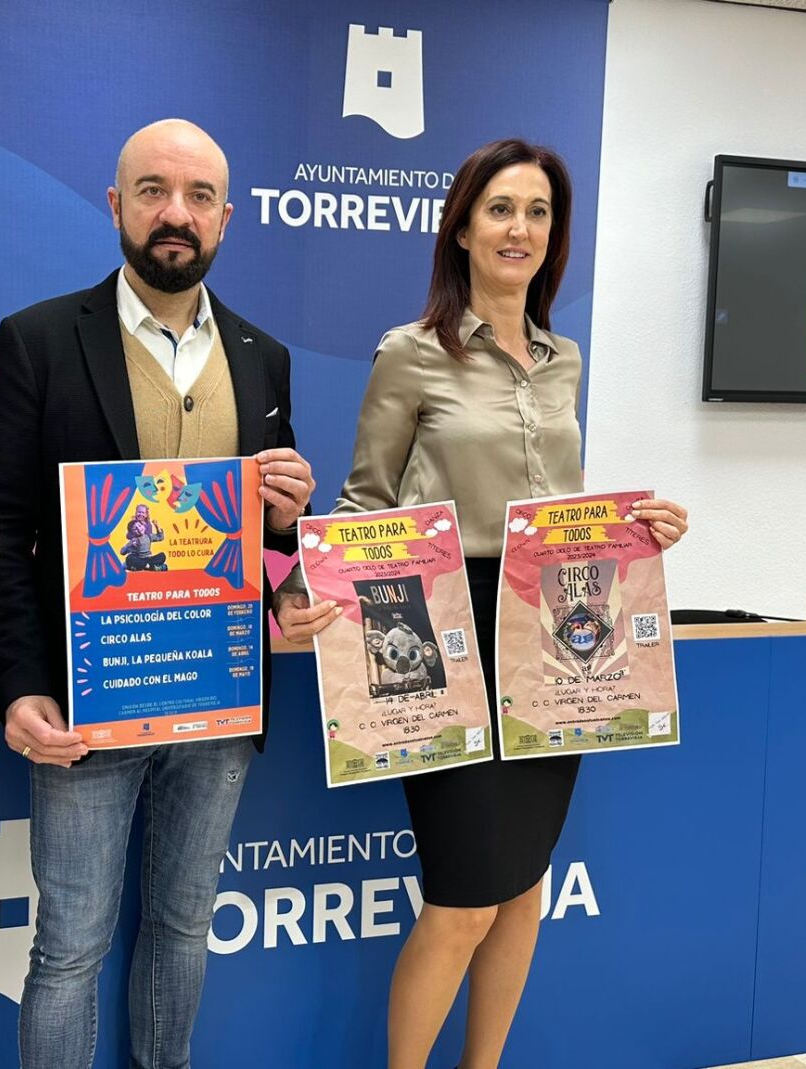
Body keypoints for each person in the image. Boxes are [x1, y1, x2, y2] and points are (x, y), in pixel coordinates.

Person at [275, 138, 690, 1069]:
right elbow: (366, 500)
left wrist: (641, 531)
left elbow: (557, 508)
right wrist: (300, 588)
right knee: (462, 900)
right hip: (440, 626)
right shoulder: (410, 354)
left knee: (523, 889)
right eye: (501, 209)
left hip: (556, 632)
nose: (520, 228)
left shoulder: (562, 358)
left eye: (538, 212)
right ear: (461, 228)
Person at [0, 118, 315, 1069]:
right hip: (88, 701)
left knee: (183, 925)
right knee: (69, 945)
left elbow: (266, 535)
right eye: (154, 191)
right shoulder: (39, 339)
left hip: (219, 698)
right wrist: (19, 684)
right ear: (117, 205)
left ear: (226, 219)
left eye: (200, 196)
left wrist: (290, 522)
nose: (177, 213)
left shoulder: (264, 356)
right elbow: (0, 529)